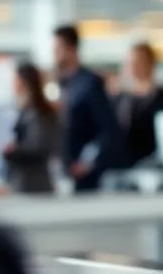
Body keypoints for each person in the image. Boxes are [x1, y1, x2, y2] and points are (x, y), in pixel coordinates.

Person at [52, 24, 122, 193]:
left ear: (70, 49)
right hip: (64, 172)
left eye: (57, 49)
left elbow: (108, 129)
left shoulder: (90, 84)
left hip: (85, 176)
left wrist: (88, 162)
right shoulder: (63, 84)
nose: (54, 54)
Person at [115, 41, 163, 170]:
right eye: (130, 63)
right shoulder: (120, 100)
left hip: (161, 167)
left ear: (151, 63)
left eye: (138, 62)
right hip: (126, 167)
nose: (133, 67)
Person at [3, 62, 61, 194]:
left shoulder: (40, 113)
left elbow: (39, 148)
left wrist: (13, 151)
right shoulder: (23, 110)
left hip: (35, 182)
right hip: (22, 179)